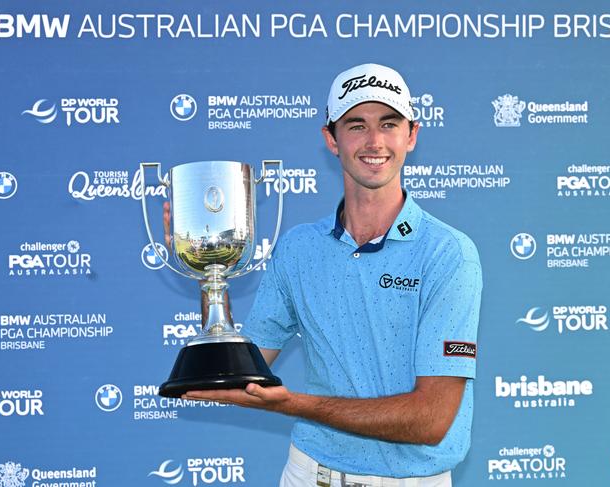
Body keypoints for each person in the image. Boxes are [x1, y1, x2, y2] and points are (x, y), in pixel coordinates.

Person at [182, 63, 482, 487]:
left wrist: (294, 405)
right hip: (309, 475)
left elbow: (430, 420)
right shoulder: (298, 247)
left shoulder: (448, 253)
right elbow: (248, 366)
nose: (374, 141)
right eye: (356, 125)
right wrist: (208, 264)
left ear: (411, 135)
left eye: (389, 124)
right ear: (331, 139)